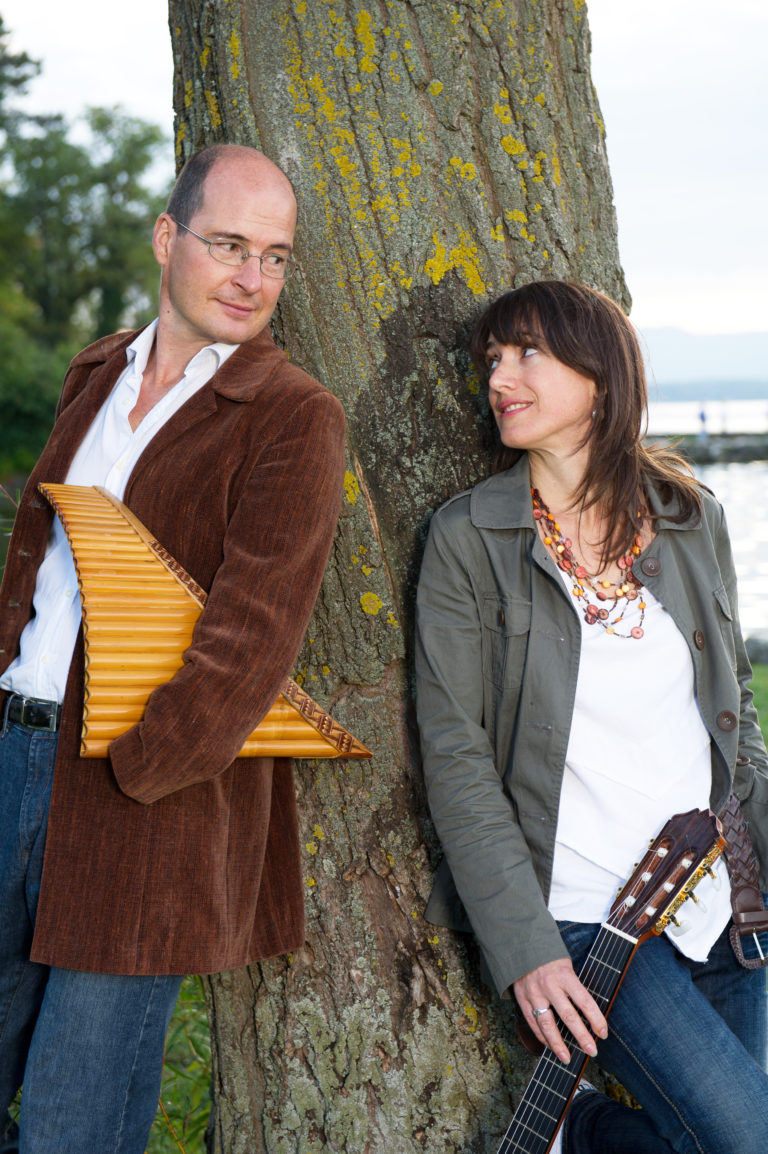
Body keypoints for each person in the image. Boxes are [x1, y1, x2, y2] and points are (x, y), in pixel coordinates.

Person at [0, 143, 346, 1153]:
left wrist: (139, 768)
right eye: (230, 245)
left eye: (275, 257)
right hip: (15, 757)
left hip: (141, 801)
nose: (253, 278)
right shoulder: (96, 369)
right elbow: (37, 556)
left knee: (73, 1126)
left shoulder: (293, 415)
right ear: (168, 237)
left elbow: (253, 635)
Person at [415, 280, 768, 1152]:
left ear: (601, 378)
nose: (501, 376)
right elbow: (456, 757)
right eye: (493, 359)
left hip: (723, 899)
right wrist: (524, 945)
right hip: (590, 913)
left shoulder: (691, 517)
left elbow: (735, 708)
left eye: (527, 352)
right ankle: (591, 1129)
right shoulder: (469, 539)